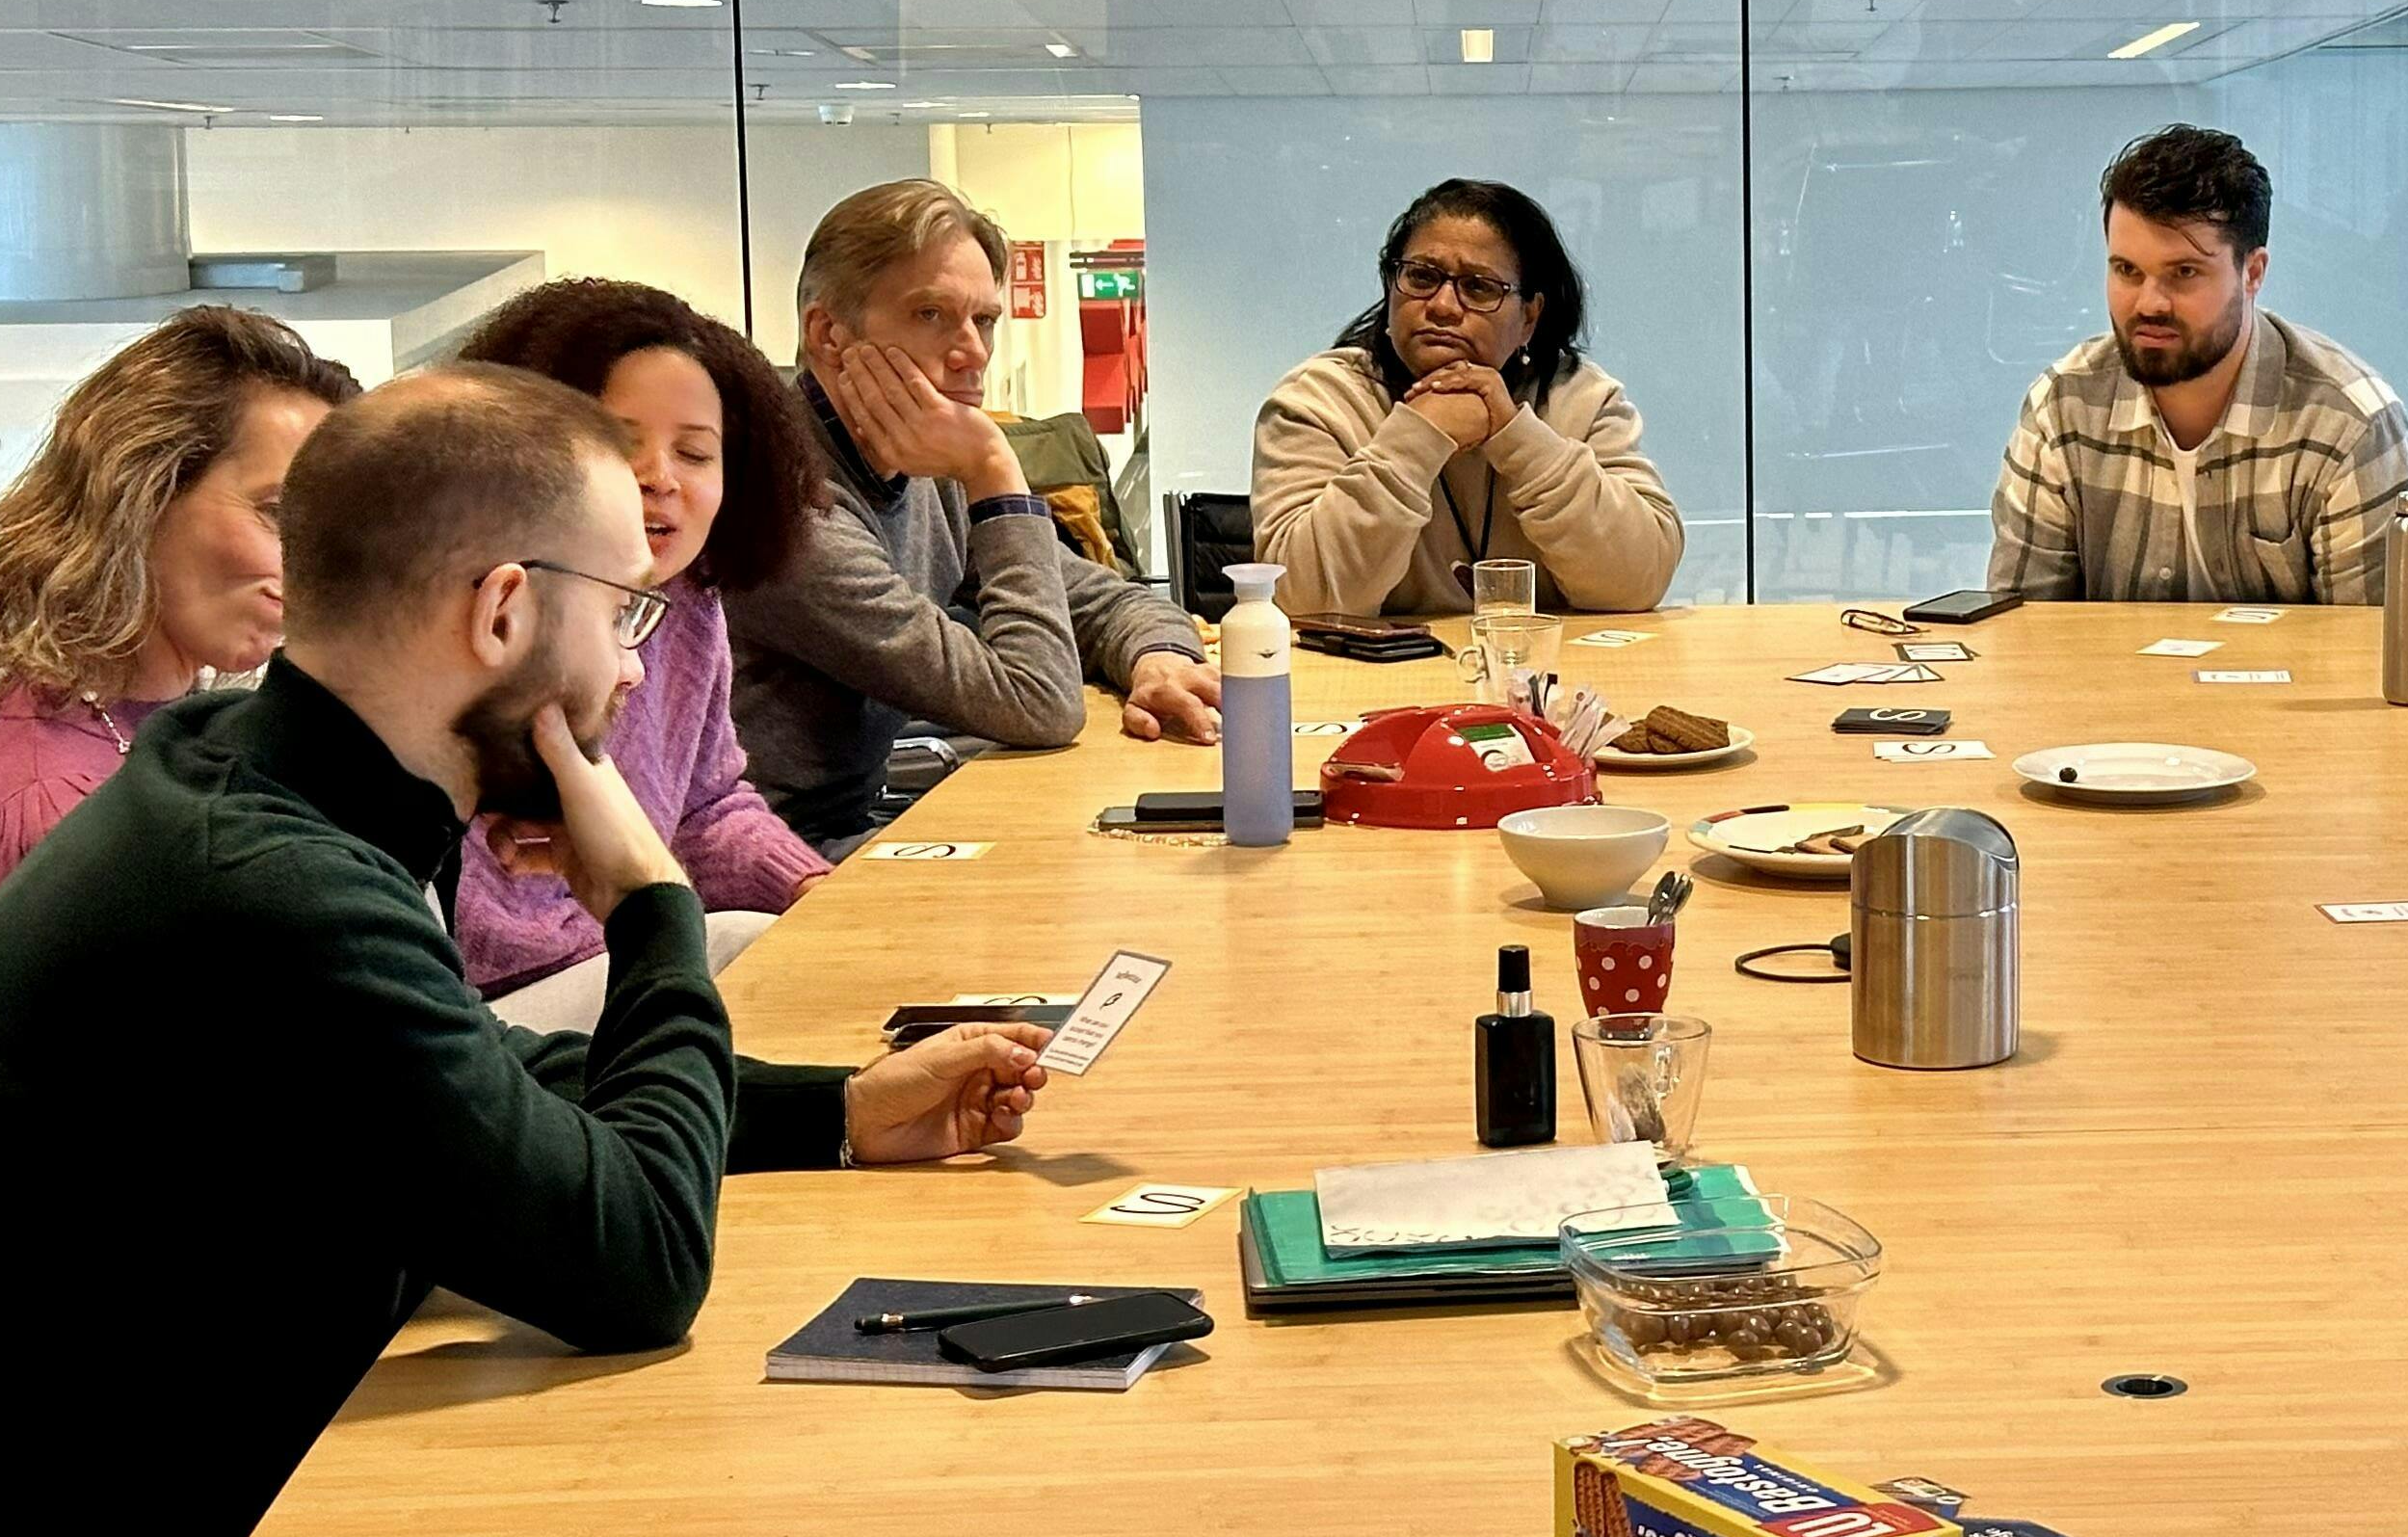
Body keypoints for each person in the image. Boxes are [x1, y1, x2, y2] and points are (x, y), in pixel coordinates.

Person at [0, 367, 1051, 1537]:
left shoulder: (246, 773)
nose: (636, 666)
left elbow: (465, 1078)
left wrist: (830, 1113)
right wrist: (653, 913)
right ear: (505, 609)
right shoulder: (271, 881)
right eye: (624, 611)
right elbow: (636, 1267)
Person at [728, 180, 1218, 851]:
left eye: (983, 320)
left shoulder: (922, 465)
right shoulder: (789, 508)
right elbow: (1038, 701)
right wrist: (994, 467)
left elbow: (1102, 600)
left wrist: (1158, 656)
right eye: (931, 314)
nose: (974, 352)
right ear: (829, 334)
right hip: (779, 858)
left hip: (863, 825)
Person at [451, 280, 835, 1028]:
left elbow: (707, 804)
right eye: (620, 444)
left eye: (694, 453)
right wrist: (646, 909)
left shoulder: (688, 603)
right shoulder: (488, 614)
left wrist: (812, 888)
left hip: (622, 945)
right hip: (488, 1002)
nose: (660, 476)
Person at [0, 306, 360, 949]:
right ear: (140, 495)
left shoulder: (157, 723)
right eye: (275, 513)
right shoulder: (56, 808)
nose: (310, 566)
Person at [1983, 124, 2408, 605]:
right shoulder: (2062, 408)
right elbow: (2021, 631)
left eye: (2184, 272)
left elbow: (2374, 644)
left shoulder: (2348, 424)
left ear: (2253, 273)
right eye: (2127, 270)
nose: (2149, 303)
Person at [1252, 178, 1682, 618]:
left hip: (1545, 661)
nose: (1442, 306)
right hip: (1380, 664)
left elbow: (1638, 582)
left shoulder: (1579, 397)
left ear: (1529, 317)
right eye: (1421, 277)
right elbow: (1301, 600)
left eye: (1478, 287)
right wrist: (1419, 435)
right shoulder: (1319, 400)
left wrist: (1516, 436)